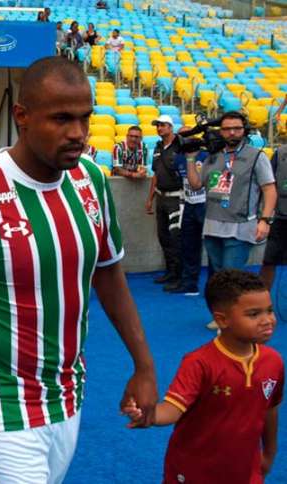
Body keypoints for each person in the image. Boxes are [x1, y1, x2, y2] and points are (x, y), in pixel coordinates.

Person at [0, 57, 157, 484]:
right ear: (21, 117)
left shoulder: (91, 181)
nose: (78, 134)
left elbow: (109, 274)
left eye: (85, 118)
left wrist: (143, 365)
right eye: (62, 118)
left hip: (69, 394)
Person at [123, 270, 282, 484]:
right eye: (254, 314)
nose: (267, 320)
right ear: (222, 320)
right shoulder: (199, 363)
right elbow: (172, 409)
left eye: (269, 311)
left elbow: (269, 409)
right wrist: (147, 414)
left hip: (245, 470)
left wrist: (270, 452)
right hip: (194, 470)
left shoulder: (274, 361)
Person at [183, 111, 277, 319]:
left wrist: (265, 220)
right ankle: (225, 317)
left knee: (232, 277)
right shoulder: (213, 156)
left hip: (241, 225)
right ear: (221, 132)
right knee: (218, 275)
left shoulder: (256, 156)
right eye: (226, 129)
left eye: (237, 128)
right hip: (212, 225)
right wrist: (190, 159)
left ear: (244, 130)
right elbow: (197, 184)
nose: (232, 132)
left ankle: (234, 320)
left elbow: (269, 189)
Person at [169, 128, 208, 296]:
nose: (185, 139)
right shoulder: (178, 158)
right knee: (188, 245)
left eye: (188, 135)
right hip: (189, 206)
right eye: (182, 136)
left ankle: (216, 285)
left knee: (212, 246)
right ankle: (189, 283)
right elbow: (181, 180)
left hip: (206, 205)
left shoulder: (206, 156)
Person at [146, 114, 184, 290]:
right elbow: (156, 175)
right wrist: (150, 198)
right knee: (163, 237)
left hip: (176, 198)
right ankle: (170, 271)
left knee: (176, 238)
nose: (159, 128)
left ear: (170, 127)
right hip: (160, 197)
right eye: (157, 126)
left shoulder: (181, 146)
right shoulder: (158, 147)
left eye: (162, 125)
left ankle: (179, 276)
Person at [259, 144, 286, 290]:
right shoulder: (280, 153)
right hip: (281, 217)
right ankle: (262, 298)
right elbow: (268, 184)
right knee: (269, 261)